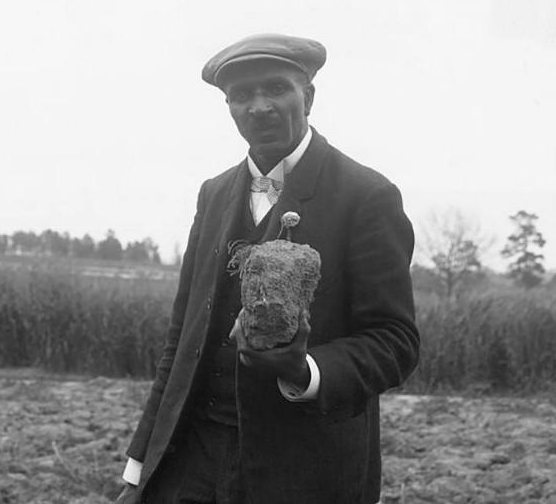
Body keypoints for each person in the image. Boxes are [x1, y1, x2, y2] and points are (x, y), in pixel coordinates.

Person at [115, 33, 420, 504]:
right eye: (240, 96)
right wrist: (139, 466)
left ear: (309, 97)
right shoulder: (213, 194)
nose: (258, 106)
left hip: (302, 468)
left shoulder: (367, 196)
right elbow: (182, 340)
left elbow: (394, 341)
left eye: (276, 88)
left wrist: (305, 369)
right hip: (192, 457)